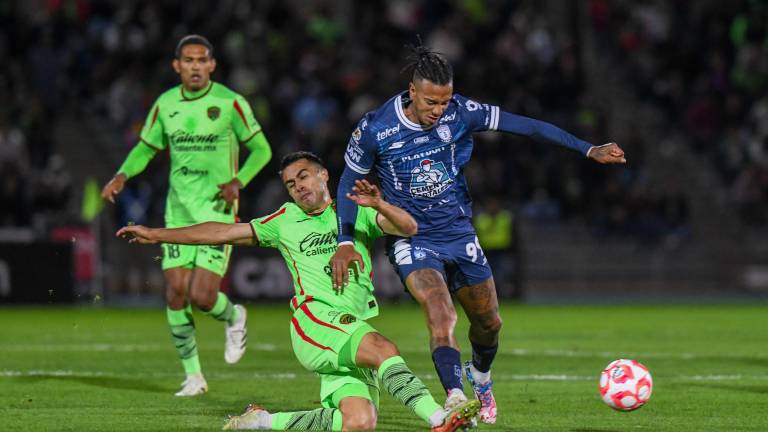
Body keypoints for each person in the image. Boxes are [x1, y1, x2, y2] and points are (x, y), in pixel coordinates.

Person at [330, 44, 627, 424]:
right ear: (413, 90)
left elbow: (529, 126)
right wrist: (345, 240)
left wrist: (588, 150)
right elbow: (348, 183)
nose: (439, 111)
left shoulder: (462, 112)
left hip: (457, 232)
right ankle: (455, 398)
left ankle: (480, 377)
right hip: (412, 238)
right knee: (440, 312)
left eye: (445, 101)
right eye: (431, 102)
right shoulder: (375, 127)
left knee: (489, 324)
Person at [117, 152, 480, 431]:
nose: (298, 186)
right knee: (383, 349)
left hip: (351, 326)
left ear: (324, 175)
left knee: (359, 421)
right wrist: (156, 233)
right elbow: (220, 232)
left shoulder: (352, 212)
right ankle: (439, 418)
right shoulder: (284, 220)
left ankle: (263, 423)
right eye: (291, 183)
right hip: (316, 320)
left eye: (303, 176)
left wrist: (380, 204)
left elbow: (409, 226)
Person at [101, 35, 273, 396]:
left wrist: (238, 181)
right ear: (177, 66)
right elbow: (147, 148)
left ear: (212, 65)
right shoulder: (165, 104)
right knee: (176, 293)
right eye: (188, 60)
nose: (195, 66)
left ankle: (233, 316)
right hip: (178, 211)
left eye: (202, 60)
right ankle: (193, 377)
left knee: (202, 297)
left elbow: (262, 150)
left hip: (217, 212)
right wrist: (122, 175)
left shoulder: (230, 102)